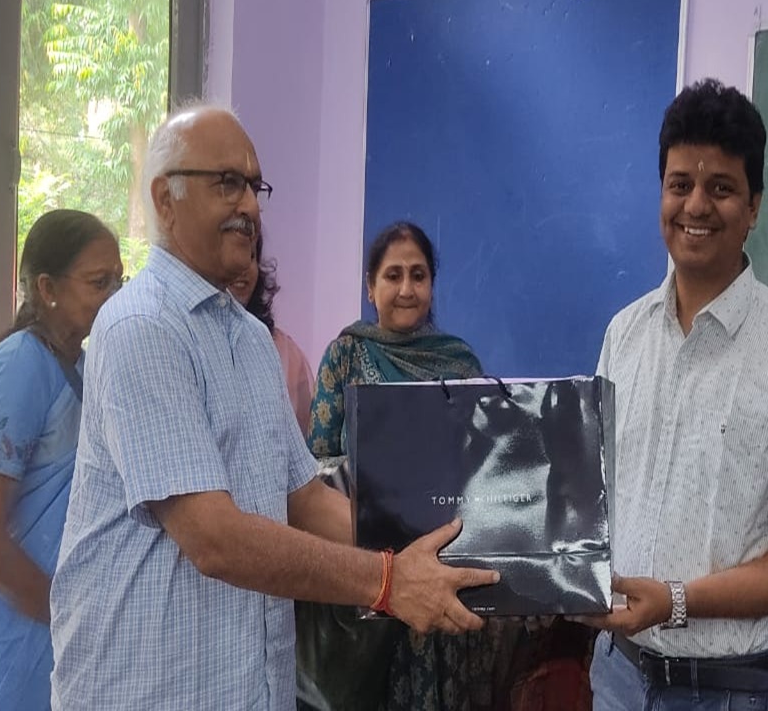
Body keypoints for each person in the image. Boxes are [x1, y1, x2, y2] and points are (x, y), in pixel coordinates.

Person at [48, 103, 496, 710]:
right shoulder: (141, 327)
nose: (250, 207)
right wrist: (389, 582)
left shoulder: (252, 340)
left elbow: (303, 498)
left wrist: (443, 544)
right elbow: (214, 538)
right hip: (150, 689)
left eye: (255, 187)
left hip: (249, 687)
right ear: (164, 200)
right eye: (227, 183)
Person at [581, 79, 768, 710]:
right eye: (680, 184)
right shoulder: (623, 335)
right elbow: (591, 497)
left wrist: (676, 601)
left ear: (754, 207)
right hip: (616, 675)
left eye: (721, 188)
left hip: (725, 691)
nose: (696, 205)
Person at [303, 221, 515, 710]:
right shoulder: (344, 356)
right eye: (392, 275)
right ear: (370, 286)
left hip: (446, 565)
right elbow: (318, 465)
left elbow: (482, 465)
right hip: (371, 573)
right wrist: (384, 485)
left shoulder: (459, 363)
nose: (406, 289)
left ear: (432, 285)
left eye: (418, 275)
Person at [0, 209, 123, 710]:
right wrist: (61, 610)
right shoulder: (20, 365)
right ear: (47, 288)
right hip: (17, 632)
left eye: (120, 281)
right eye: (99, 283)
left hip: (60, 629)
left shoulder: (83, 365)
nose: (116, 296)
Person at [229, 234, 314, 437]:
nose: (243, 267)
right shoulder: (190, 342)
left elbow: (308, 441)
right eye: (233, 254)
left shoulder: (286, 353)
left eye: (251, 256)